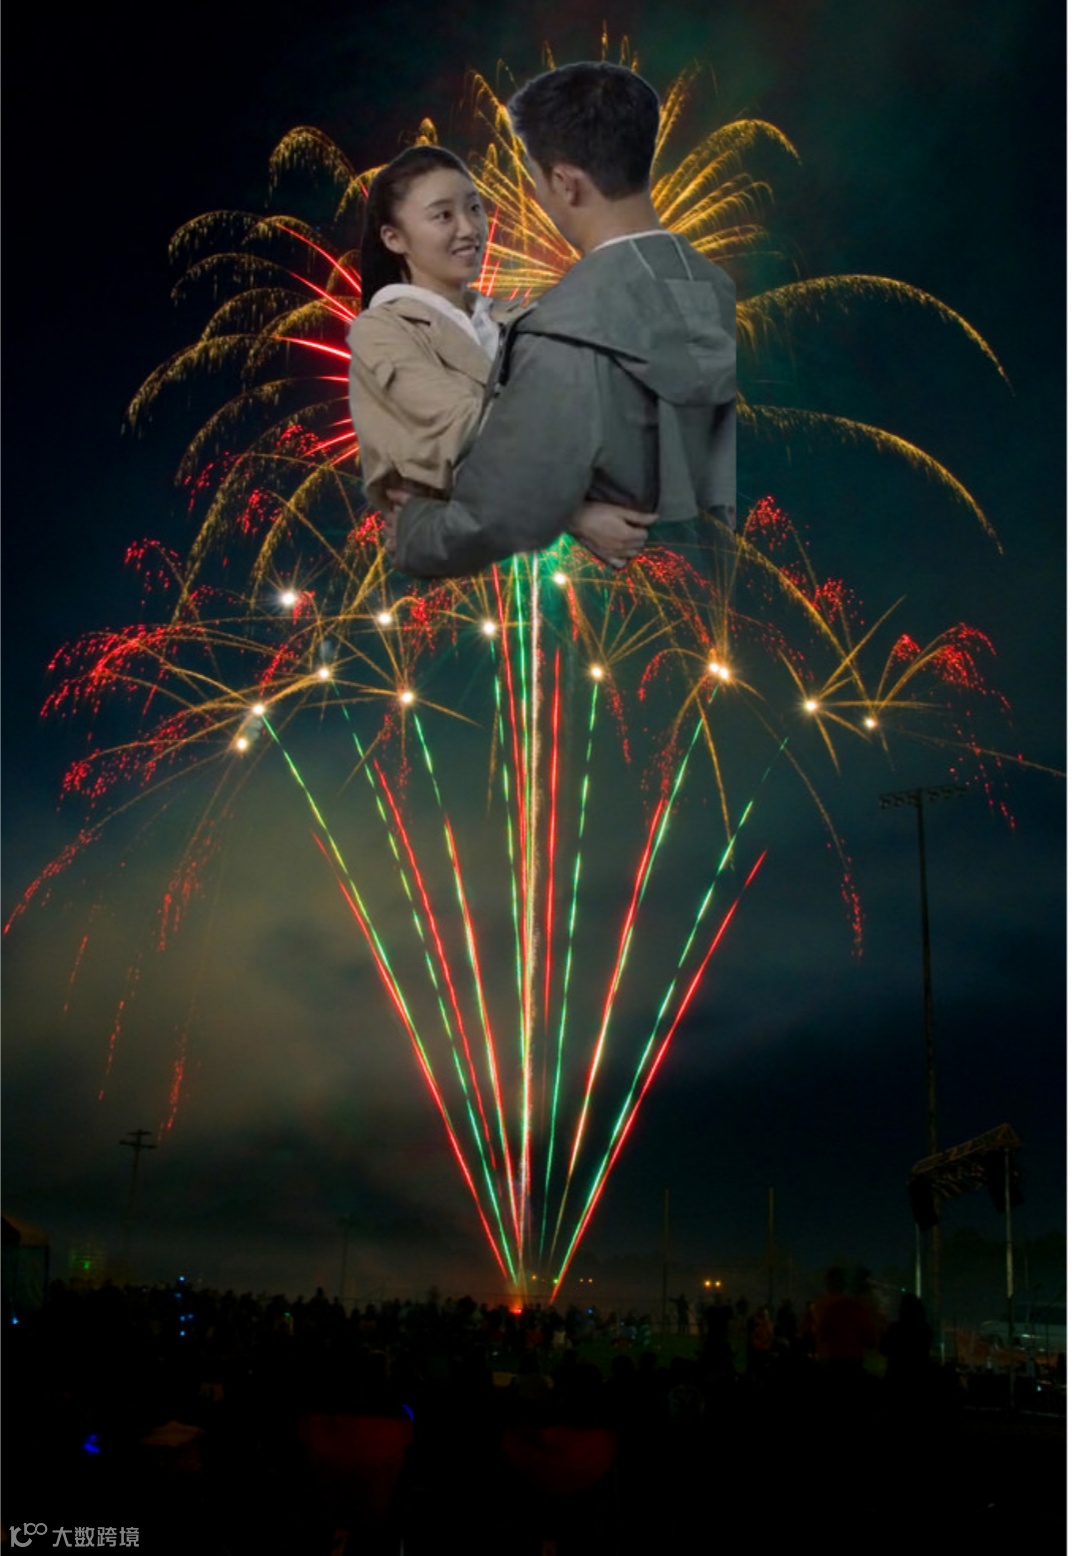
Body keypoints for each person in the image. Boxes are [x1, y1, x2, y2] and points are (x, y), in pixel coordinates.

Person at [388, 61, 736, 578]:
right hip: (720, 593)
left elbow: (495, 513)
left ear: (565, 183)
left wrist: (412, 528)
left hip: (613, 600)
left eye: (534, 174)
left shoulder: (564, 335)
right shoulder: (718, 291)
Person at [348, 144, 653, 570]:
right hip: (463, 565)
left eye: (474, 208)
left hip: (549, 559)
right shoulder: (382, 331)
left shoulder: (515, 320)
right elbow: (465, 430)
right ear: (393, 238)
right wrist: (576, 513)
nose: (470, 228)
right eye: (443, 215)